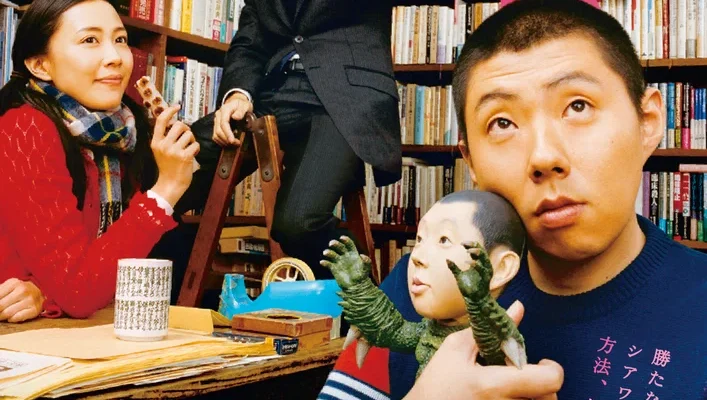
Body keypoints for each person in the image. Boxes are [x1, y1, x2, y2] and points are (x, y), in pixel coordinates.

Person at [319, 0, 707, 399]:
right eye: (502, 123)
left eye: (578, 106)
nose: (544, 156)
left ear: (648, 124)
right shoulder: (426, 281)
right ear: (471, 161)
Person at [0, 0, 199, 323]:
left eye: (120, 39)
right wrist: (167, 188)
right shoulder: (24, 129)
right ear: (40, 65)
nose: (115, 57)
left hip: (78, 327)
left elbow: (99, 272)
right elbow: (79, 289)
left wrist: (45, 293)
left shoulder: (127, 132)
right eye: (90, 40)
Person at [185, 0, 402, 278]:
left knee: (298, 225)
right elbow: (249, 44)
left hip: (343, 99)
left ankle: (367, 297)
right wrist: (238, 94)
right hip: (272, 94)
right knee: (158, 170)